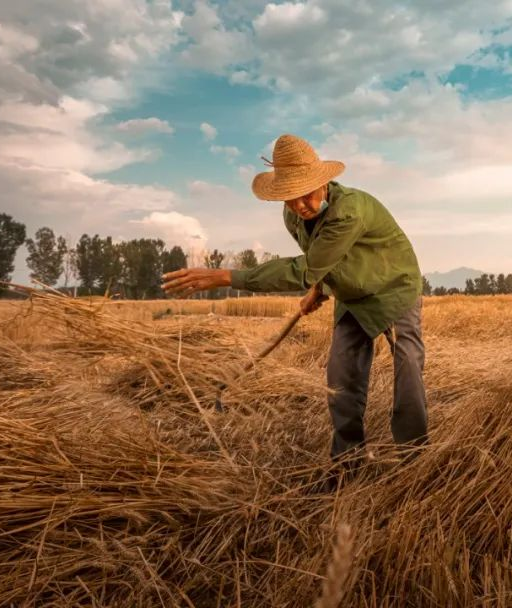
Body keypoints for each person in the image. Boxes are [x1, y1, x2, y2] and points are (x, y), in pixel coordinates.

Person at [162, 134, 428, 478]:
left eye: (306, 194)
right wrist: (318, 289)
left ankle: (414, 460)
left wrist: (226, 276)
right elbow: (321, 260)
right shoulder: (294, 218)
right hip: (351, 295)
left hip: (391, 287)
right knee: (341, 376)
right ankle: (346, 465)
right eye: (290, 198)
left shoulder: (349, 211)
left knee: (407, 368)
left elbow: (305, 268)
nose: (300, 204)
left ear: (323, 182)